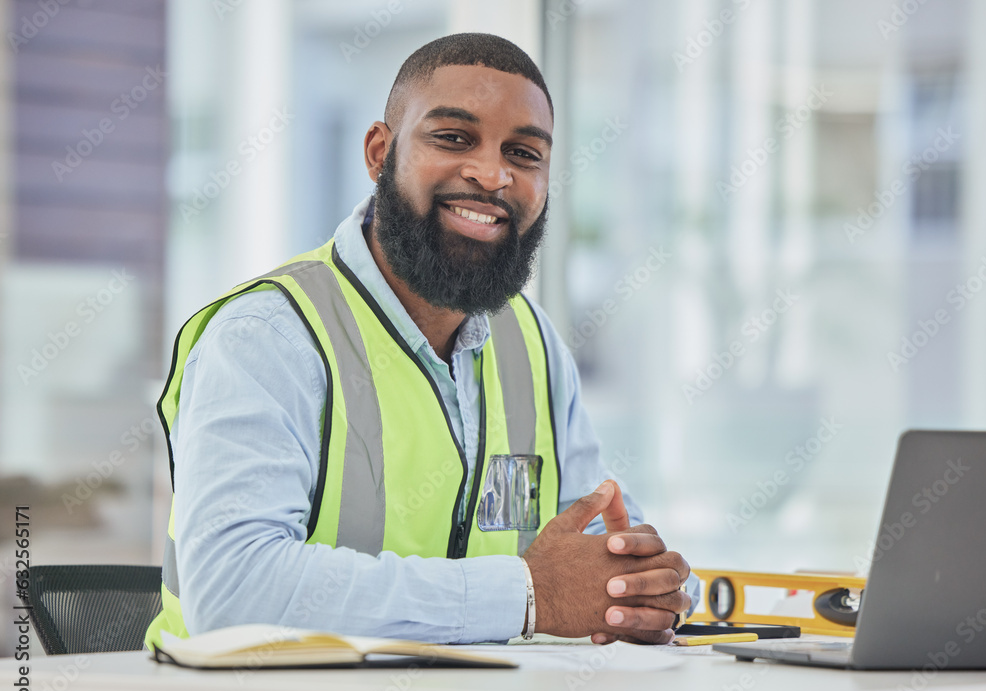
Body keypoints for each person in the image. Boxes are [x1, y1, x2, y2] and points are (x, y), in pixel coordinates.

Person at [145, 33, 697, 650]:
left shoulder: (533, 345)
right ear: (381, 153)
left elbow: (592, 555)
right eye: (454, 138)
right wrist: (526, 596)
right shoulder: (267, 338)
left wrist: (644, 587)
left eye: (523, 153)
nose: (492, 174)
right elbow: (232, 589)